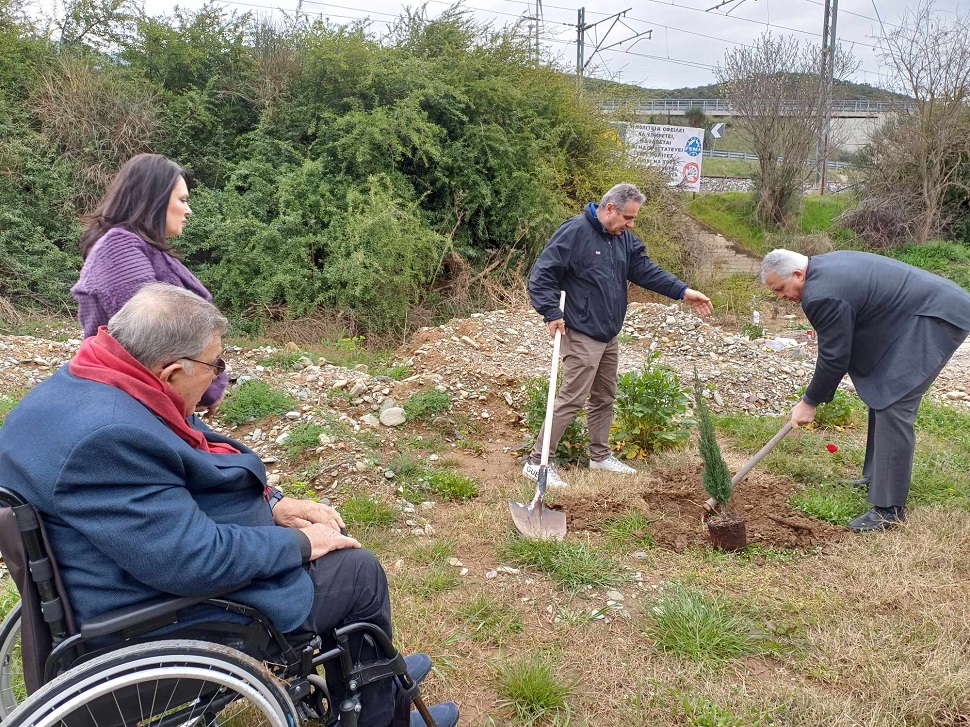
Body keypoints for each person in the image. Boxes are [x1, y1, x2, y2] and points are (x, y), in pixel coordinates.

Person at [0, 284, 458, 727]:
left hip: (114, 579)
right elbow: (192, 560)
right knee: (358, 572)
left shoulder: (86, 384)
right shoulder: (107, 439)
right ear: (171, 371)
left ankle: (371, 672)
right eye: (215, 365)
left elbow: (170, 485)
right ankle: (379, 709)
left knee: (346, 578)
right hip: (155, 618)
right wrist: (299, 544)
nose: (219, 375)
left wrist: (272, 504)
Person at [760, 248, 970, 532]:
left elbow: (834, 356)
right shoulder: (823, 268)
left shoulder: (821, 293)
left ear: (798, 274)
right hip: (918, 313)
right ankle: (876, 476)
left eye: (781, 289)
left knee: (894, 401)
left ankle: (889, 509)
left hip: (935, 317)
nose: (782, 297)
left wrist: (810, 402)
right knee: (882, 390)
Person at [524, 182, 714, 487]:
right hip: (582, 331)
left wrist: (682, 291)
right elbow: (542, 275)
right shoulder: (575, 232)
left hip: (609, 332)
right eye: (628, 217)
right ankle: (537, 462)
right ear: (609, 208)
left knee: (604, 396)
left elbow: (645, 270)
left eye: (633, 219)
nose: (631, 224)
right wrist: (552, 312)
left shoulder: (622, 239)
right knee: (572, 398)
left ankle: (599, 457)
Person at [71, 154, 227, 411]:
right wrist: (209, 387)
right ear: (154, 199)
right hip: (128, 399)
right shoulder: (119, 248)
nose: (188, 210)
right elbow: (155, 332)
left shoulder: (142, 248)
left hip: (146, 395)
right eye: (183, 200)